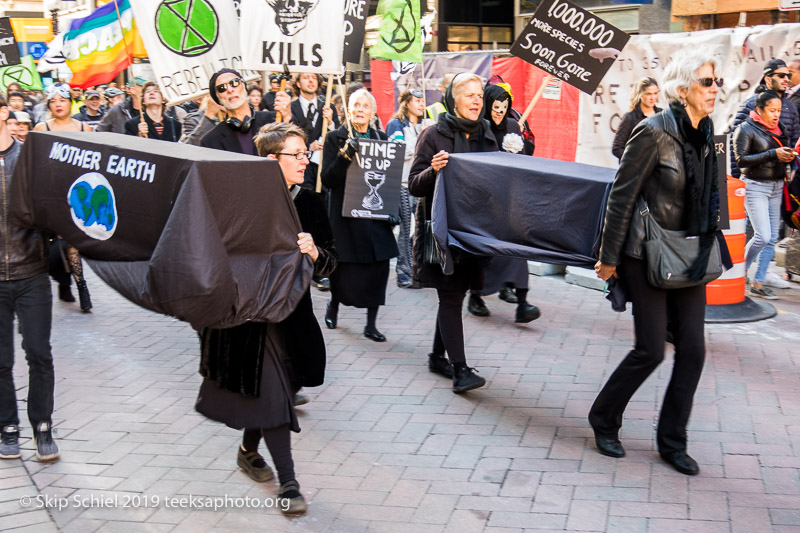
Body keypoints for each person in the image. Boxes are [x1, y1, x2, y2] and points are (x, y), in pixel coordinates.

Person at [589, 50, 723, 476]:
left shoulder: (706, 132)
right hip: (644, 254)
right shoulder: (651, 132)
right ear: (682, 90)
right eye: (706, 82)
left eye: (716, 81)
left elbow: (709, 194)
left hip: (689, 252)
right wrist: (608, 259)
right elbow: (621, 198)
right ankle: (604, 418)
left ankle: (672, 441)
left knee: (693, 351)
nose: (714, 88)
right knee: (649, 350)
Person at [196, 122, 333, 515]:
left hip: (293, 317)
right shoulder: (238, 200)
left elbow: (331, 262)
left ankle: (247, 450)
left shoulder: (311, 202)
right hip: (250, 320)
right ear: (271, 161)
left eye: (306, 153)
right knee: (273, 393)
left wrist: (315, 254)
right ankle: (289, 483)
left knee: (279, 392)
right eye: (297, 154)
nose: (306, 160)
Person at [409, 72, 498, 393]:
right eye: (470, 95)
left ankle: (437, 356)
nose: (477, 101)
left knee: (456, 293)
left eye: (480, 95)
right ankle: (460, 370)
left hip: (473, 230)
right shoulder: (434, 134)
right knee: (449, 294)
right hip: (442, 231)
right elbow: (413, 184)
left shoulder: (487, 135)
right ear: (454, 99)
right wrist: (433, 170)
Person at [0, 94, 60, 463]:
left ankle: (42, 426)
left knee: (38, 353)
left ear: (4, 113)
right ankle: (7, 427)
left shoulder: (28, 159)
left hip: (32, 273)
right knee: (0, 361)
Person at [322, 88, 398, 342]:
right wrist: (345, 154)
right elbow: (328, 180)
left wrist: (393, 210)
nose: (360, 110)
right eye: (355, 105)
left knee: (378, 270)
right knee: (343, 270)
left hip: (375, 217)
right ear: (347, 109)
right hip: (346, 218)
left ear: (373, 112)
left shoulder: (381, 138)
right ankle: (334, 303)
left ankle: (371, 324)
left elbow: (389, 179)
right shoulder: (335, 137)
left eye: (365, 106)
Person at [466, 83, 540, 323]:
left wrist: (520, 145)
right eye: (496, 107)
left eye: (504, 108)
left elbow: (525, 159)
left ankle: (522, 301)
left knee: (516, 247)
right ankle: (475, 295)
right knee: (484, 251)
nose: (499, 112)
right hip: (484, 201)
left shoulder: (511, 125)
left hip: (509, 198)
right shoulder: (478, 127)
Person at [34, 84, 93, 312]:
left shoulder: (84, 129)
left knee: (71, 242)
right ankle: (63, 281)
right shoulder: (42, 128)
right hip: (51, 195)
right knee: (52, 245)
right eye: (54, 100)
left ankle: (81, 286)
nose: (58, 104)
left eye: (62, 99)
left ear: (70, 102)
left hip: (77, 194)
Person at [733, 89, 794, 300]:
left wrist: (787, 156)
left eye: (778, 110)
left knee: (772, 238)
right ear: (759, 109)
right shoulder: (745, 129)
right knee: (763, 235)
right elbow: (741, 160)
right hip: (755, 186)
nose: (776, 114)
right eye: (772, 110)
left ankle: (758, 282)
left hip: (777, 185)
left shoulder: (780, 128)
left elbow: (781, 149)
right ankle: (740, 271)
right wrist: (772, 154)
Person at [385, 88, 432, 288]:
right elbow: (396, 152)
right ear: (407, 103)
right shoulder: (396, 124)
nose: (421, 104)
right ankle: (402, 271)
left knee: (422, 228)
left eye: (422, 100)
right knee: (406, 228)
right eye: (417, 100)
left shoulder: (425, 123)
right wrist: (421, 140)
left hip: (419, 183)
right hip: (402, 184)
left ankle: (416, 267)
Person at [730, 59, 800, 179]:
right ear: (768, 79)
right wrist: (737, 180)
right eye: (781, 75)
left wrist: (793, 169)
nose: (786, 79)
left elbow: (795, 144)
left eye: (788, 75)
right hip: (754, 182)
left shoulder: (791, 108)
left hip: (780, 183)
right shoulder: (749, 105)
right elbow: (735, 148)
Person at [291, 72, 340, 191]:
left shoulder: (328, 107)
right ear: (298, 83)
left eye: (314, 78)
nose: (311, 81)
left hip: (322, 164)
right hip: (300, 166)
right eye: (306, 78)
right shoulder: (291, 107)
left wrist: (330, 123)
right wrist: (308, 146)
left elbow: (338, 135)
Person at [612, 77, 661, 161]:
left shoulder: (662, 114)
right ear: (639, 93)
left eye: (655, 93)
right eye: (648, 94)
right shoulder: (630, 118)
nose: (652, 98)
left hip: (658, 170)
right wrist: (636, 160)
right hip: (636, 171)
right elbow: (617, 148)